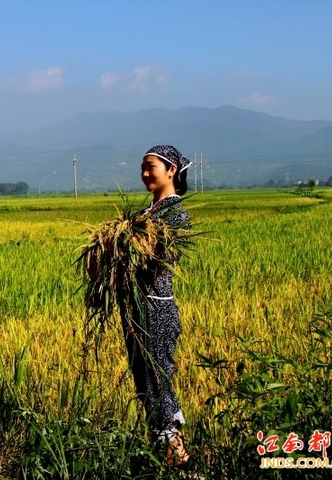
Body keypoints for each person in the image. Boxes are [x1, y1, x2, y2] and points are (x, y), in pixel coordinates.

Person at [128, 144, 192, 466]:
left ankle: (177, 454)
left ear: (171, 171)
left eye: (150, 166)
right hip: (137, 308)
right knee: (144, 380)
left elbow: (160, 256)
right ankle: (164, 453)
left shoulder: (174, 212)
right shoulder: (145, 213)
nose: (144, 173)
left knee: (156, 378)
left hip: (157, 308)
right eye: (142, 166)